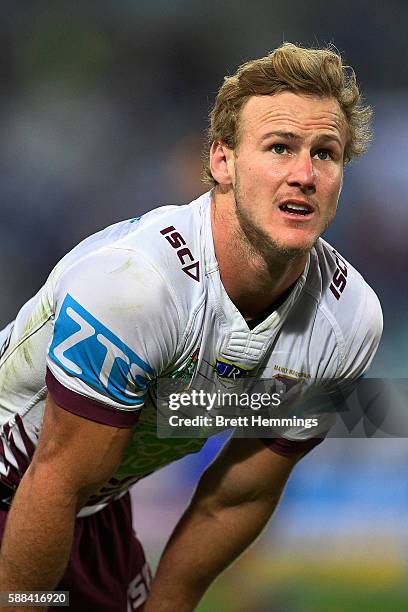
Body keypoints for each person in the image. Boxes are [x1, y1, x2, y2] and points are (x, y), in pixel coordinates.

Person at [0, 43, 382, 611]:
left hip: (93, 507)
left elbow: (239, 493)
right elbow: (53, 480)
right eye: (279, 147)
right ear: (222, 161)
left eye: (326, 153)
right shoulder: (137, 285)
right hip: (29, 490)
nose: (304, 174)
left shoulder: (349, 323)